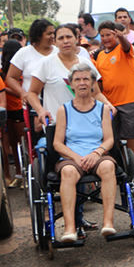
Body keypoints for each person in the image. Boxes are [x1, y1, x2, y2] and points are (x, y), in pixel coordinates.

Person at [53, 64, 118, 242]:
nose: (82, 83)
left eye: (86, 79)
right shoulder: (64, 110)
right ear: (71, 85)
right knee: (68, 172)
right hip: (72, 157)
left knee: (107, 166)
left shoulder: (102, 109)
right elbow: (57, 143)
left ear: (93, 83)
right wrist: (76, 157)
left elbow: (109, 139)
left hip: (96, 154)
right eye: (77, 80)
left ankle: (108, 223)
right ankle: (70, 228)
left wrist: (96, 153)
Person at [94, 21, 134, 154]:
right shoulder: (100, 55)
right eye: (102, 36)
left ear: (115, 35)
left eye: (108, 35)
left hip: (129, 99)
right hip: (109, 103)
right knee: (112, 135)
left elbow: (127, 47)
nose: (105, 38)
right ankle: (119, 164)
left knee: (131, 134)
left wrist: (122, 37)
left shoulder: (122, 48)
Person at [6, 19, 58, 108]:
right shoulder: (23, 53)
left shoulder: (60, 53)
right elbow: (11, 78)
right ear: (38, 35)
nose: (53, 36)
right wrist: (22, 93)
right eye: (49, 34)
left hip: (57, 104)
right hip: (32, 105)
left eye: (53, 33)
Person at [0, 40, 26, 187]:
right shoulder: (0, 72)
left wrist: (6, 90)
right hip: (6, 111)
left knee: (22, 143)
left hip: (19, 109)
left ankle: (26, 173)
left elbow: (22, 94)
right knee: (12, 144)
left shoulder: (21, 72)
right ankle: (18, 173)